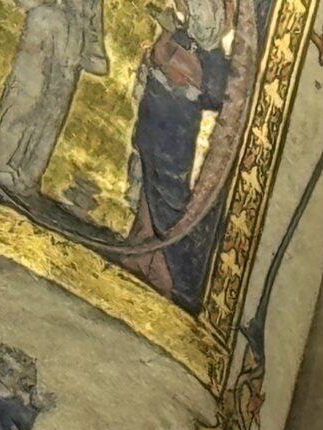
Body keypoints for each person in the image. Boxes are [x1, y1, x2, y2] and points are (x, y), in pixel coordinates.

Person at [123, 0, 230, 306]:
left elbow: (205, 45)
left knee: (165, 183)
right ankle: (142, 246)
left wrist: (176, 59)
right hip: (161, 98)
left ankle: (162, 261)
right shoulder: (189, 30)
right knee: (148, 171)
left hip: (176, 111)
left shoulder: (209, 38)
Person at [0, 0, 108, 199]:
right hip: (46, 24)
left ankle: (27, 175)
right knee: (27, 98)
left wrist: (93, 51)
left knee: (52, 111)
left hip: (73, 40)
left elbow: (92, 17)